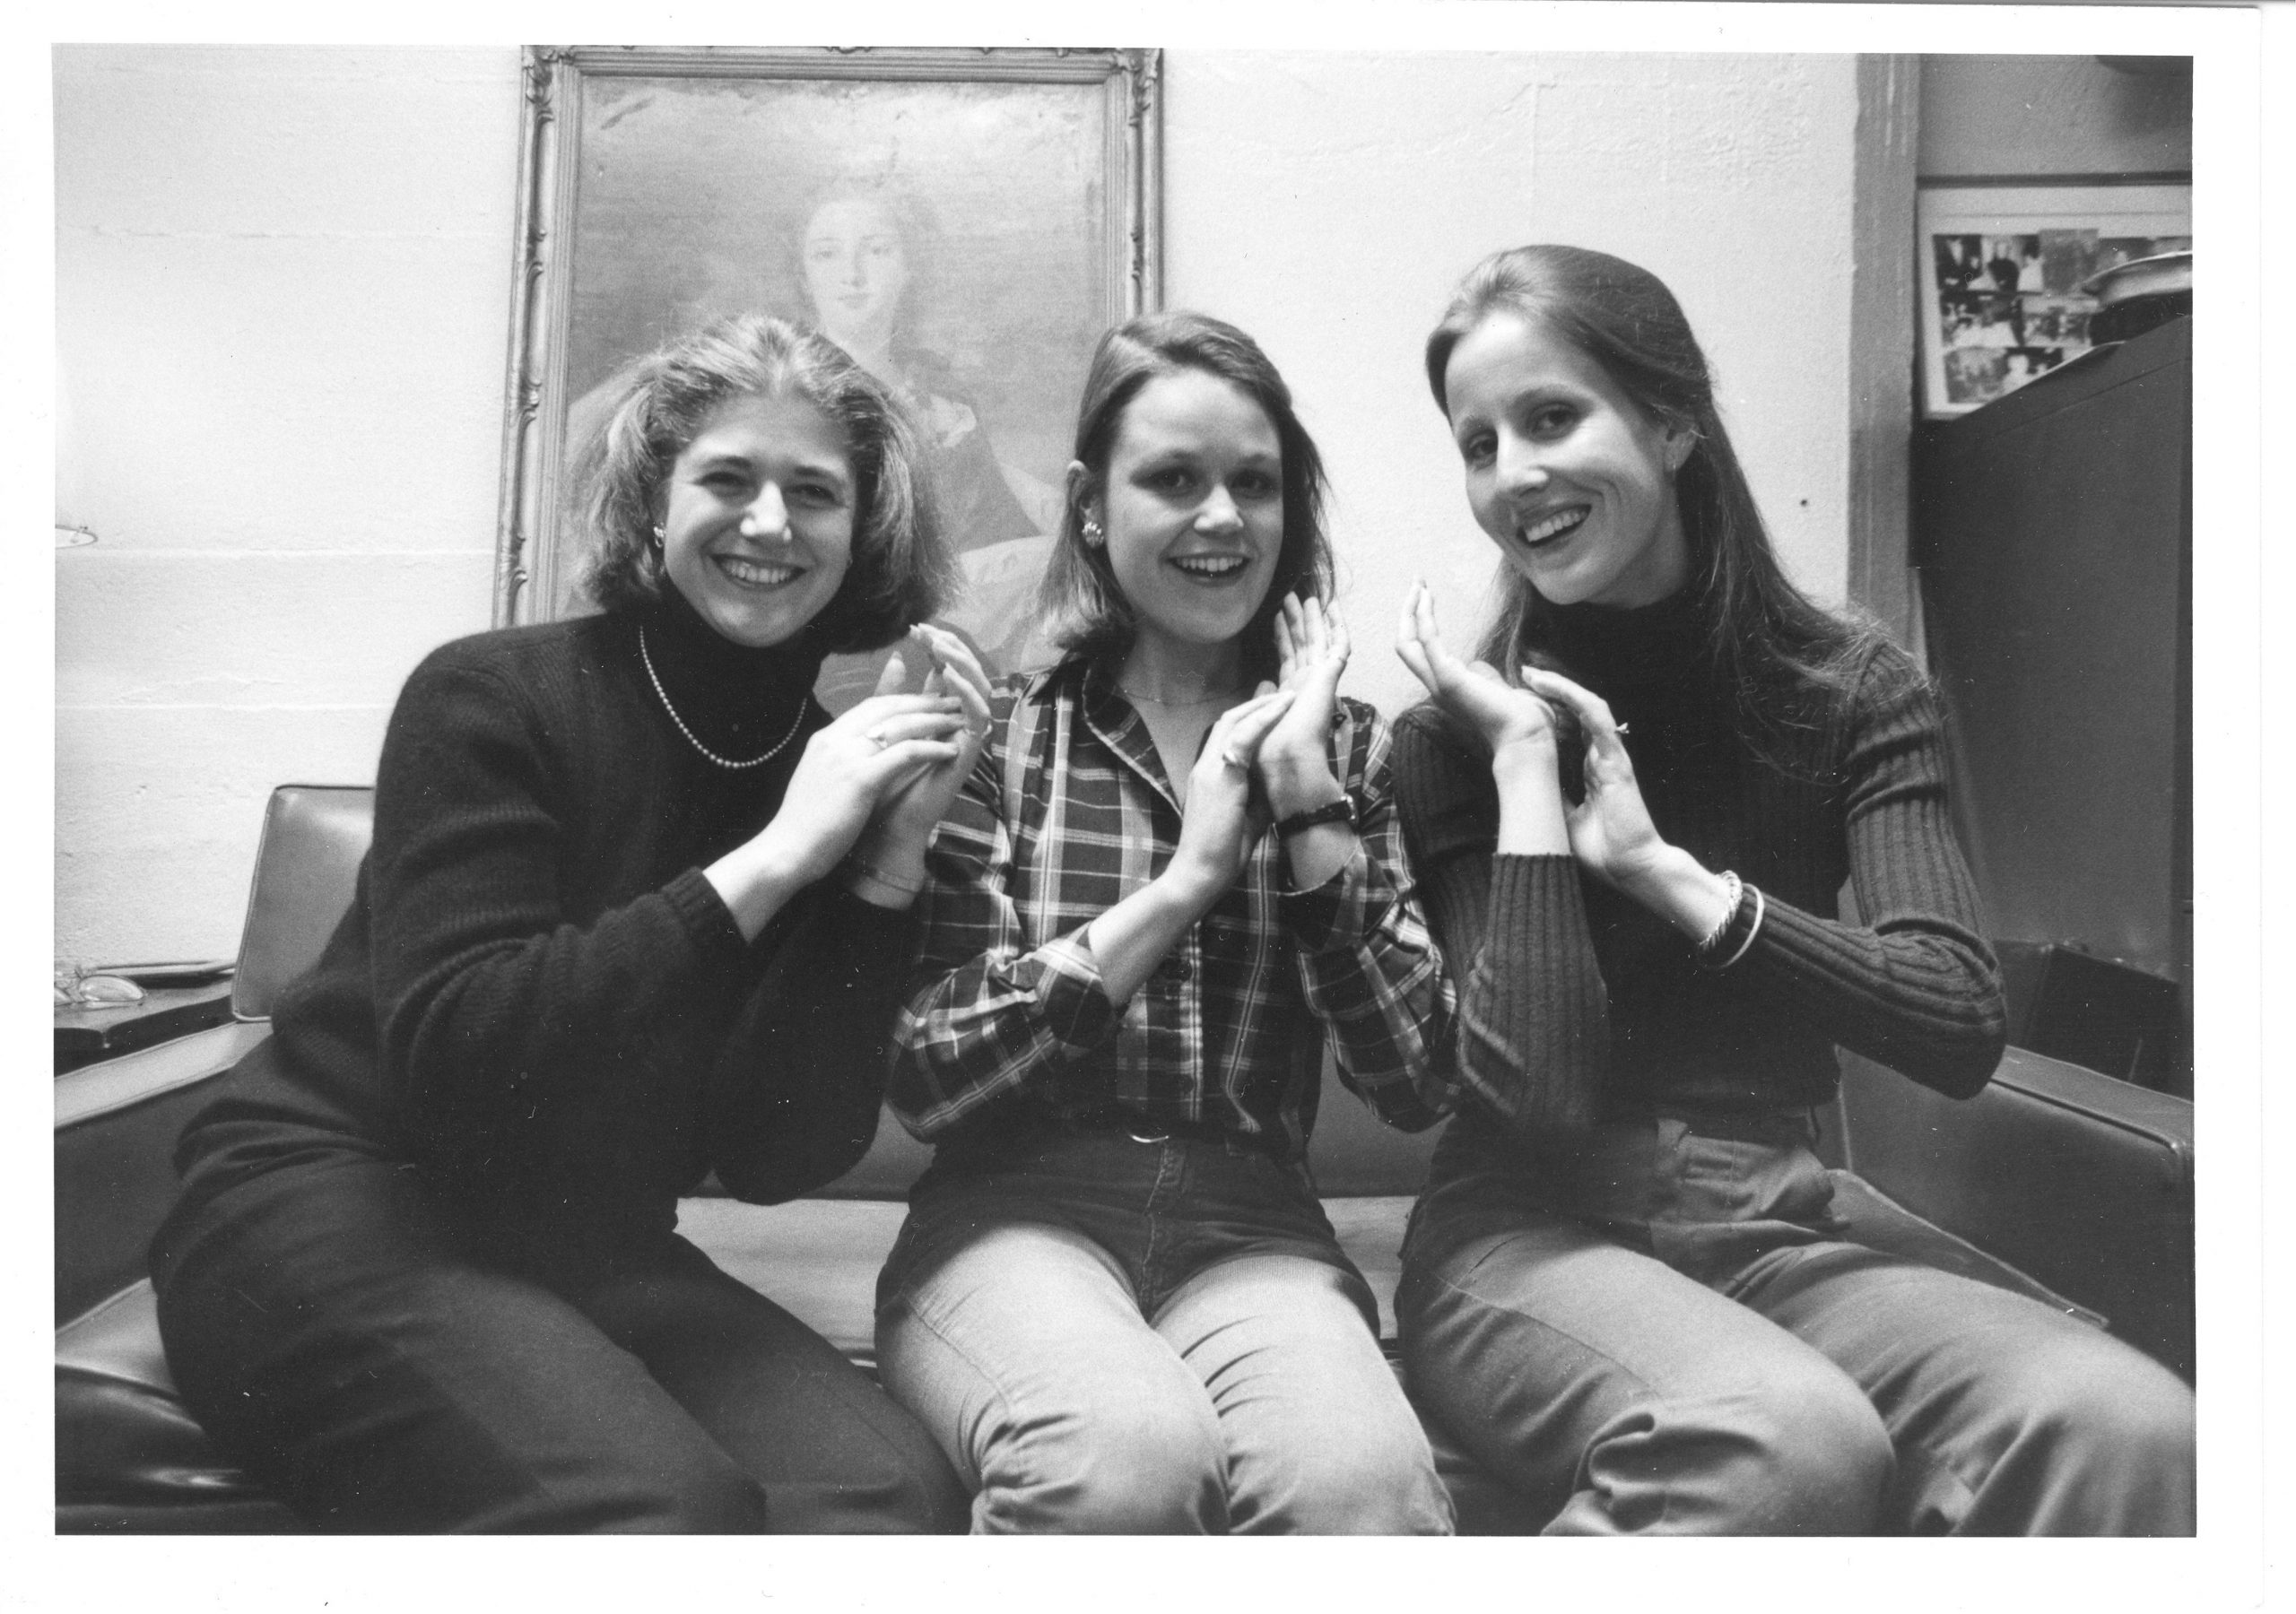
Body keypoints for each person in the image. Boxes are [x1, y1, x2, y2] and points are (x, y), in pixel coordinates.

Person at [1389, 244, 2196, 1536]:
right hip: (1525, 1239)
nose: (1514, 475)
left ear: (1674, 423)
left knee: (2128, 1427)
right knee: (1781, 1439)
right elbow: (1534, 1099)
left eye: (1551, 418)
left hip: (1774, 1221)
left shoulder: (1848, 691)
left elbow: (1954, 1018)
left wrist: (1671, 881)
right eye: (1479, 444)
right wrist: (1528, 773)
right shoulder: (1456, 740)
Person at [148, 313, 987, 1533]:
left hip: (582, 1237)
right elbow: (463, 1053)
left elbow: (775, 1158)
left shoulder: (831, 778)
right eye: (728, 479)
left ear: (861, 538)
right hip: (324, 1199)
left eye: (814, 492)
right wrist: (775, 860)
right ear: (652, 505)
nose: (769, 523)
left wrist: (883, 869)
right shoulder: (488, 694)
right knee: (656, 1505)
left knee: (884, 1493)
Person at [876, 311, 1457, 1534]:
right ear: (1092, 506)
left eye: (1256, 483)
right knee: (1125, 1458)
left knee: (1365, 1495)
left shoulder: (1348, 749)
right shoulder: (1007, 736)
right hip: (1012, 1213)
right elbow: (929, 1071)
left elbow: (1415, 1082)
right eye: (1175, 481)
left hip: (1253, 1226)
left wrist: (1306, 805)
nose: (1223, 518)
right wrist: (1185, 884)